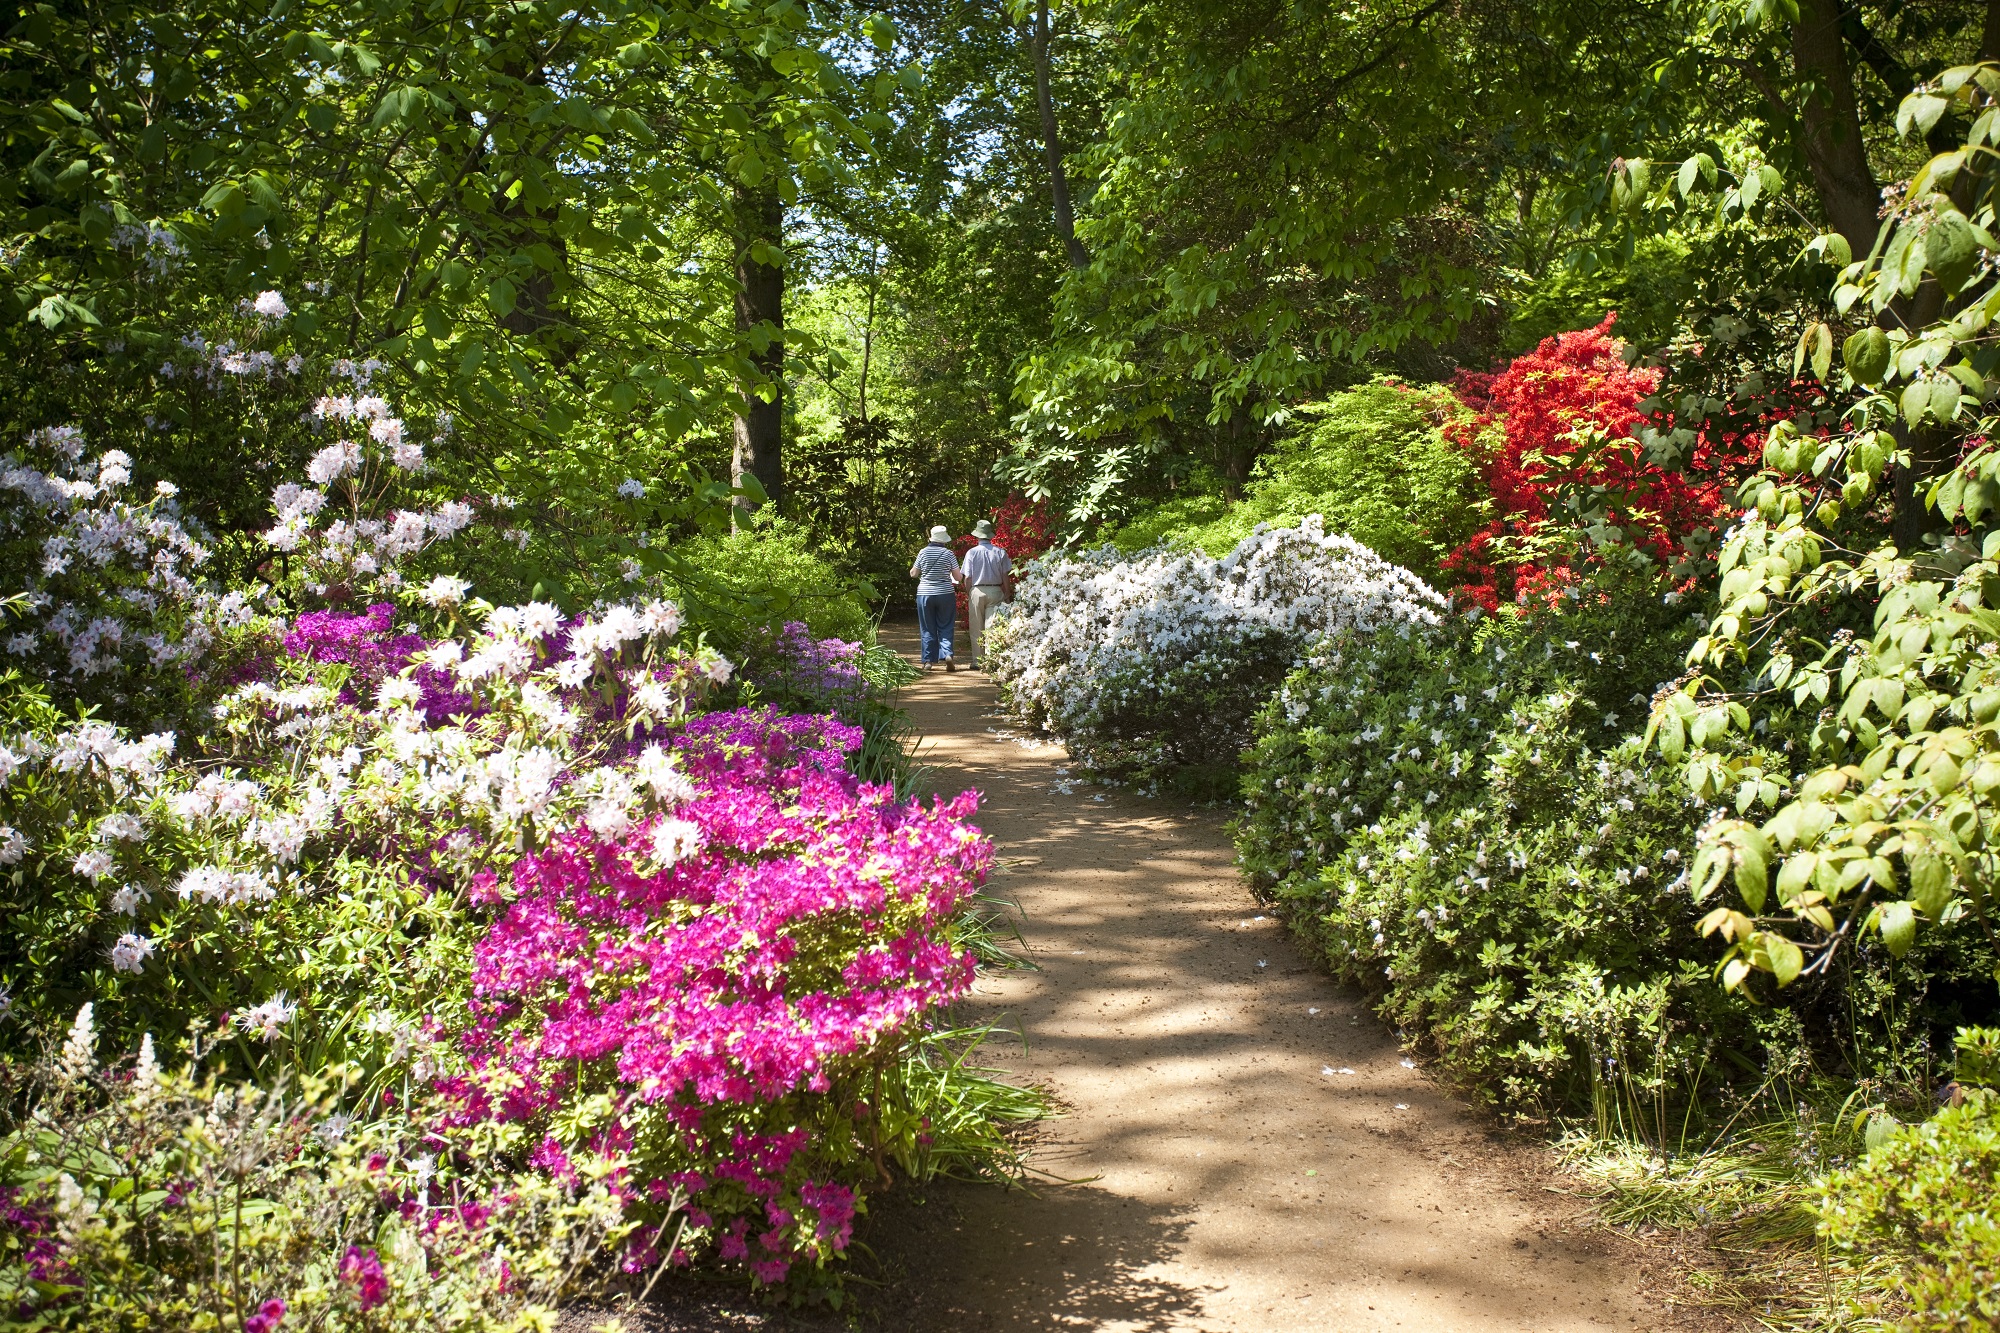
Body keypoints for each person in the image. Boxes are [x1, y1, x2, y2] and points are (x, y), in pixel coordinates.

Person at [959, 518, 1013, 665]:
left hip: (977, 590)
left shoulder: (971, 553)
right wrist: (1007, 592)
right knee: (993, 626)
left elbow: (968, 577)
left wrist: (969, 591)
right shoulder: (1000, 552)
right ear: (990, 535)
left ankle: (977, 661)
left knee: (976, 626)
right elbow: (1004, 576)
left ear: (977, 535)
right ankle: (992, 659)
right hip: (996, 590)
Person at [909, 524, 961, 670]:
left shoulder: (923, 552)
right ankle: (947, 654)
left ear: (931, 538)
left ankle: (928, 661)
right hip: (945, 593)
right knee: (946, 625)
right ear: (944, 539)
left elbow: (914, 573)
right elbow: (958, 576)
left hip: (925, 594)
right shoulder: (948, 554)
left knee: (927, 627)